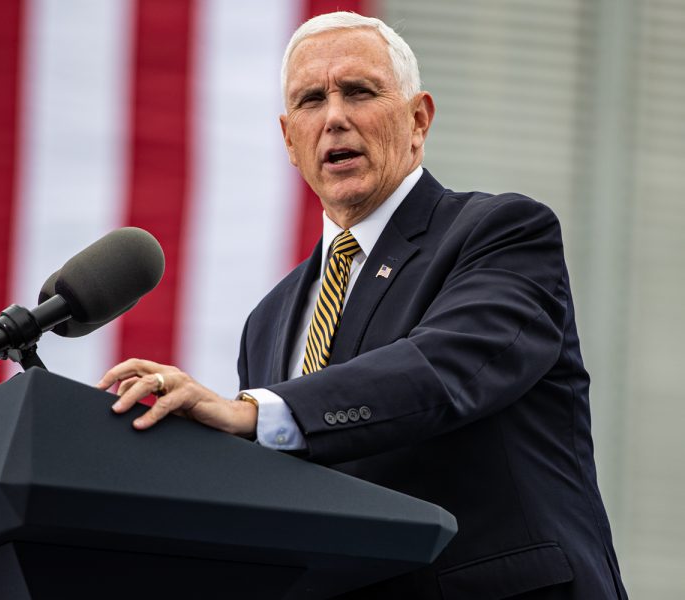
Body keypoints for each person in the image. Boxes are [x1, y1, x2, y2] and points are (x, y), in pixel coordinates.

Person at [97, 11, 627, 599]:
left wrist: (252, 413)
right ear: (289, 140)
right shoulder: (268, 320)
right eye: (310, 100)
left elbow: (443, 370)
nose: (334, 118)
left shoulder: (500, 232)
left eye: (359, 91)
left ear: (418, 119)